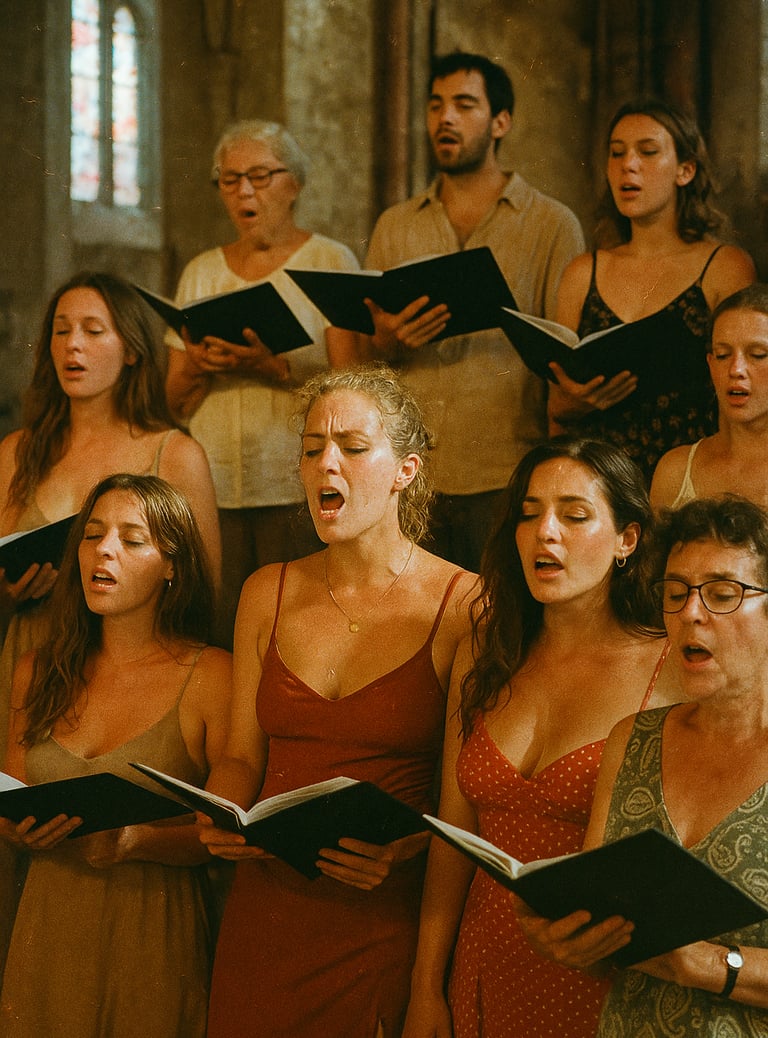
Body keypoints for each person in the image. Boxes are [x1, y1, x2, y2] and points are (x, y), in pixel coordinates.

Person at [197, 365, 476, 1038]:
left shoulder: (466, 603)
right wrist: (221, 808)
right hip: (265, 918)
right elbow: (240, 755)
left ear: (405, 470)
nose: (327, 463)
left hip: (381, 918)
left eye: (353, 447)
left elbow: (465, 801)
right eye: (312, 447)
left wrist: (407, 849)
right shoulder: (267, 590)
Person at [402, 438, 682, 1038]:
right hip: (483, 963)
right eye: (529, 514)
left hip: (597, 982)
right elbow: (455, 838)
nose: (545, 533)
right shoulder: (489, 652)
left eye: (574, 515)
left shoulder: (670, 667)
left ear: (627, 540)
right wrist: (426, 986)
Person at [0, 271, 221, 977]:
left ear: (133, 348)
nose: (72, 344)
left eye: (93, 329)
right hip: (31, 655)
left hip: (138, 670)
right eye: (61, 329)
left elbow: (200, 593)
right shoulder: (15, 451)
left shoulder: (172, 452)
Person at [517, 494, 768, 1035]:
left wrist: (715, 966)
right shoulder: (633, 739)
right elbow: (598, 920)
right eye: (675, 594)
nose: (690, 613)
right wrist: (566, 937)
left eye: (723, 594)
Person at [0, 473, 232, 1037]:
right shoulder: (36, 670)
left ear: (172, 566)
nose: (103, 550)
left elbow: (229, 834)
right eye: (93, 534)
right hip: (46, 935)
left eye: (132, 540)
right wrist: (18, 830)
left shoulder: (210, 676)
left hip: (155, 939)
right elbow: (8, 789)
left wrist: (134, 841)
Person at [364, 51, 585, 572]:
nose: (445, 118)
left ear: (501, 121)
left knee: (505, 631)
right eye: (436, 105)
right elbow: (370, 355)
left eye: (464, 105)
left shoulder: (551, 224)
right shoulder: (396, 225)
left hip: (508, 470)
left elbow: (565, 354)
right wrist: (389, 340)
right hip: (411, 475)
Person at [165, 118, 360, 647]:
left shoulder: (330, 261)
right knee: (218, 631)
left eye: (259, 176)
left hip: (293, 485)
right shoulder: (201, 273)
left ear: (293, 183)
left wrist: (275, 368)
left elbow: (354, 390)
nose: (243, 191)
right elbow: (170, 399)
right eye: (229, 180)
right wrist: (203, 362)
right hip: (214, 489)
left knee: (293, 629)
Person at [548, 97, 756, 482]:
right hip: (600, 485)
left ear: (685, 170)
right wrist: (572, 403)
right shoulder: (583, 272)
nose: (628, 164)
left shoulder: (724, 266)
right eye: (616, 153)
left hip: (691, 479)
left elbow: (751, 388)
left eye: (647, 151)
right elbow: (556, 413)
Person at [651, 284, 768, 510]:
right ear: (710, 364)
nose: (736, 369)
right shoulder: (676, 471)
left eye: (757, 355)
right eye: (723, 355)